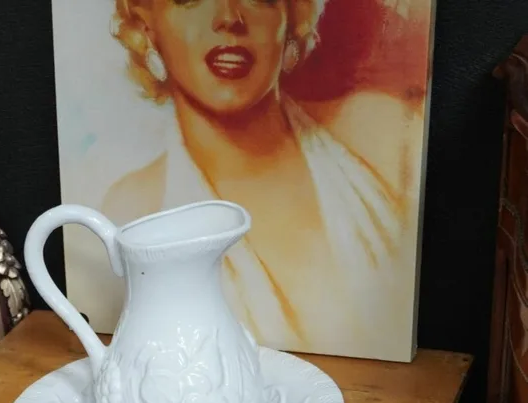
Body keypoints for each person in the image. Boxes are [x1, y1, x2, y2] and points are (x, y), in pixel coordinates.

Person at [105, 0, 424, 359]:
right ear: (147, 27)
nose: (229, 18)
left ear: (291, 20)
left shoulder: (382, 137)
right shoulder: (130, 208)